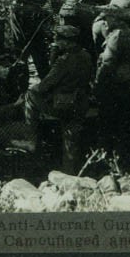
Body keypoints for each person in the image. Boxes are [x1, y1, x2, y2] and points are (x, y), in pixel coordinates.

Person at [24, 26, 94, 175]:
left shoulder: (64, 61)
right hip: (81, 102)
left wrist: (35, 87)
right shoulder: (86, 56)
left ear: (68, 43)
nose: (56, 42)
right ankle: (72, 171)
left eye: (58, 40)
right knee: (71, 138)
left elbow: (43, 86)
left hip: (64, 105)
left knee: (30, 94)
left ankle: (31, 138)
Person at [10, 0, 78, 79]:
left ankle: (20, 82)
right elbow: (56, 8)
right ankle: (42, 81)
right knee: (37, 48)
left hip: (17, 11)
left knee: (21, 47)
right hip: (29, 15)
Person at [94, 11, 130, 165]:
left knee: (107, 123)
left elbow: (107, 64)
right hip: (122, 85)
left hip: (111, 87)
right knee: (119, 123)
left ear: (116, 17)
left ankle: (106, 160)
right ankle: (118, 159)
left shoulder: (117, 36)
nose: (105, 21)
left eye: (107, 17)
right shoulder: (128, 32)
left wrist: (97, 86)